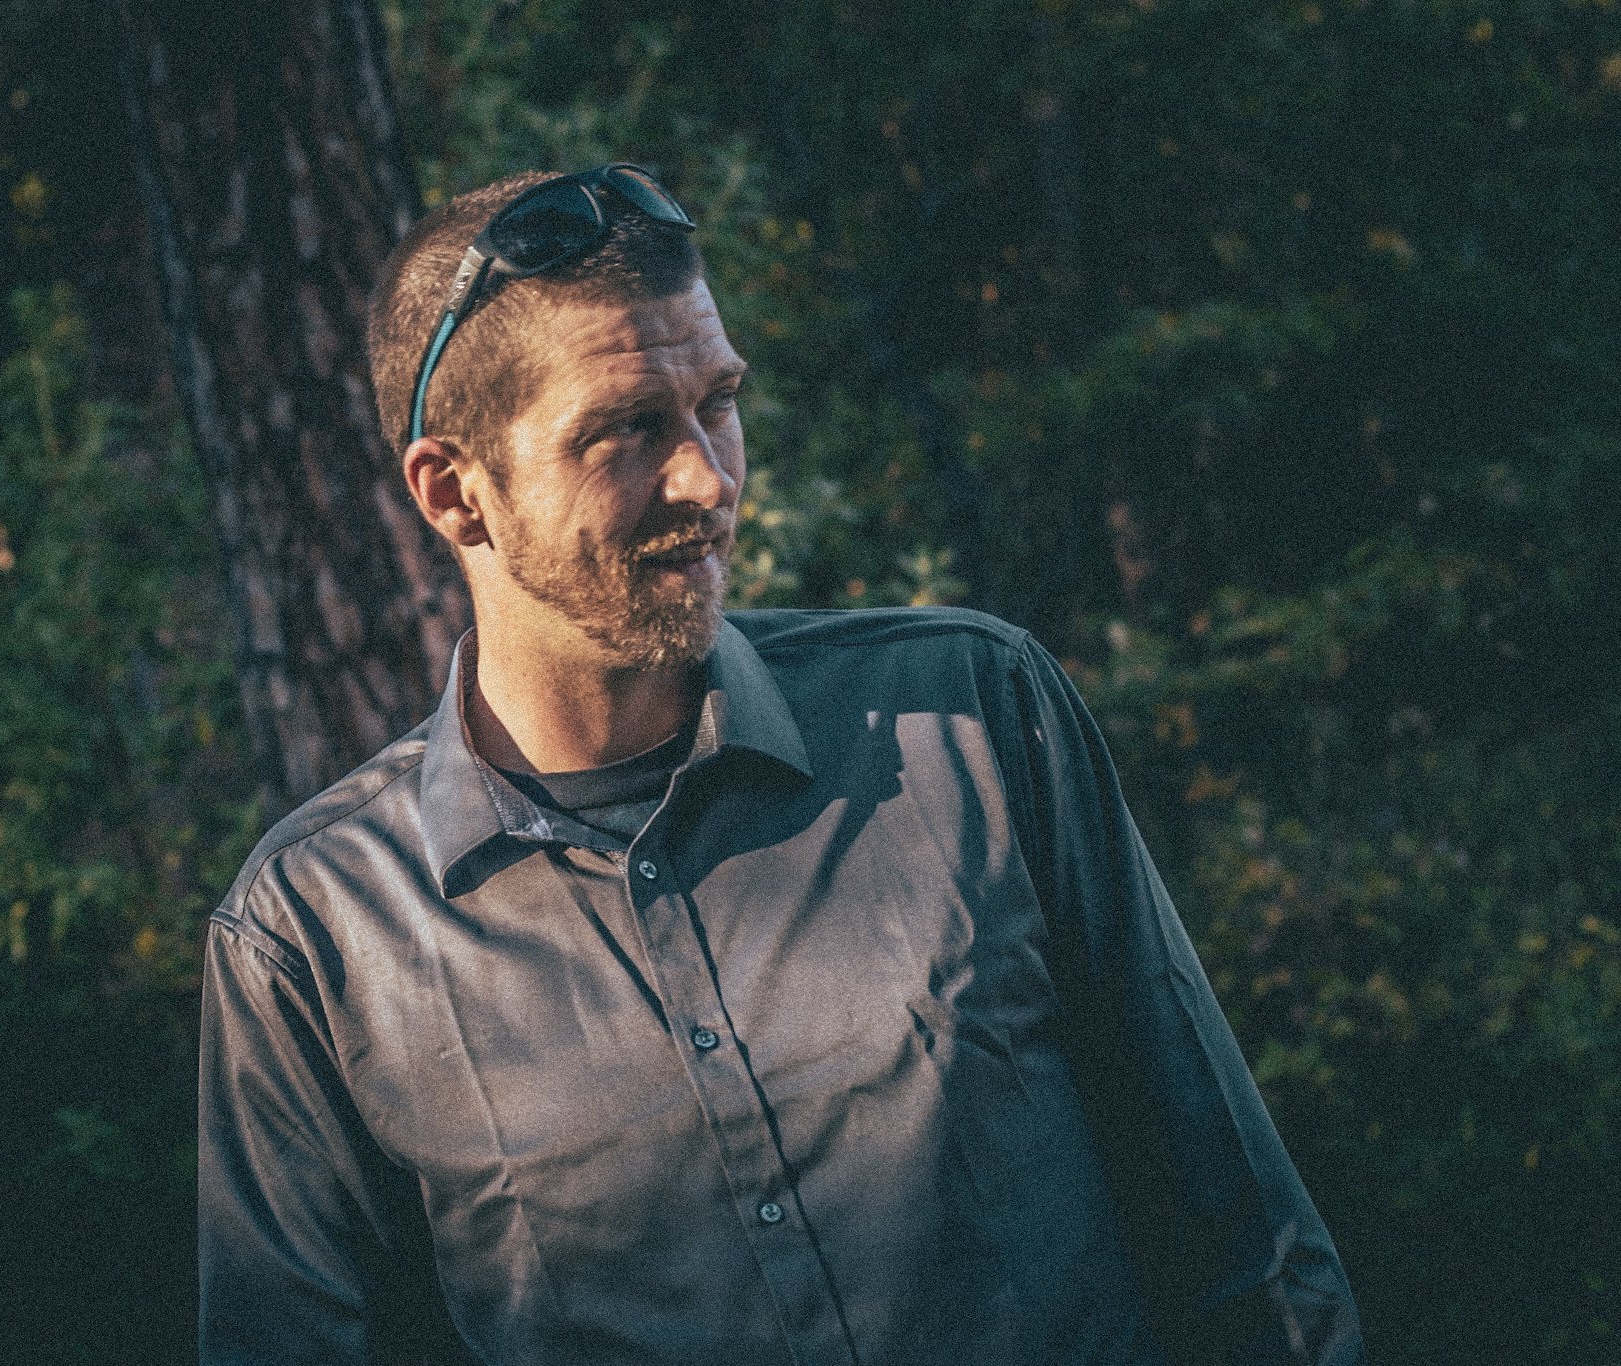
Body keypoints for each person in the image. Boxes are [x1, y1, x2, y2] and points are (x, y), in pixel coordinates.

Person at [197, 164, 1363, 1366]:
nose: (707, 478)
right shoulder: (315, 939)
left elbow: (1249, 1251)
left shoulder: (972, 718)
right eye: (625, 429)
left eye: (717, 403)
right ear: (454, 493)